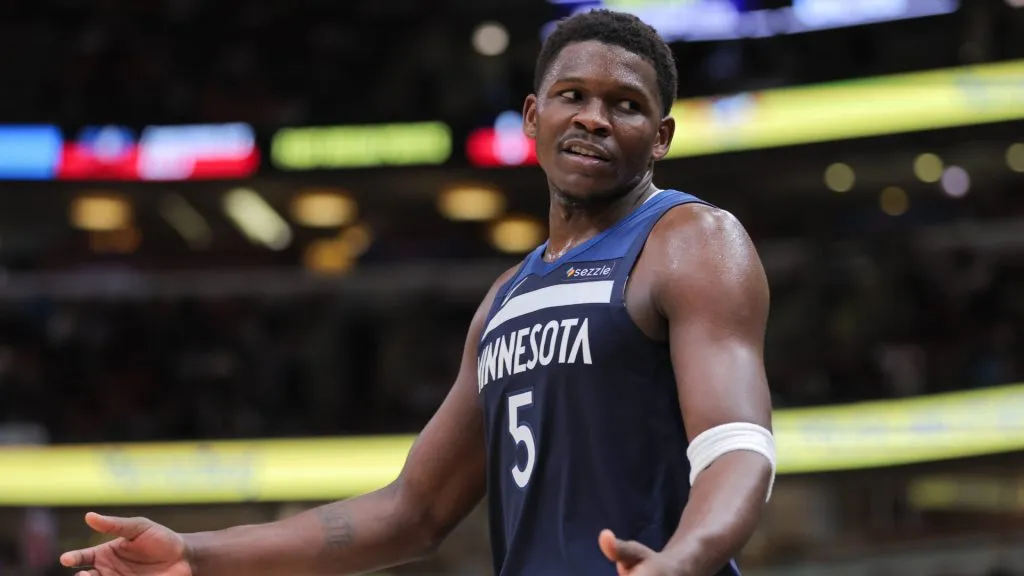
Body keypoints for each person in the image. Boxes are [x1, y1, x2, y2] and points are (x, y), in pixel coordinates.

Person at [60, 9, 775, 576]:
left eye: (625, 104)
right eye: (572, 96)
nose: (594, 116)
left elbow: (739, 449)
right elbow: (412, 511)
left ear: (661, 137)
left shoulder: (692, 240)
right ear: (533, 117)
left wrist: (680, 564)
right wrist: (196, 555)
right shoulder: (505, 298)